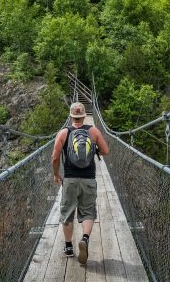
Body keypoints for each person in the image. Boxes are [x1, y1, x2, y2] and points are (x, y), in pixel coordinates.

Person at [51, 102, 109, 265]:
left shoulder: (63, 133)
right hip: (89, 179)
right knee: (88, 212)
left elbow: (55, 158)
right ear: (84, 116)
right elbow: (106, 151)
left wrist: (56, 175)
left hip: (69, 179)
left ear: (71, 116)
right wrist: (95, 150)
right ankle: (85, 238)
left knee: (67, 212)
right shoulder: (93, 131)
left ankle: (69, 247)